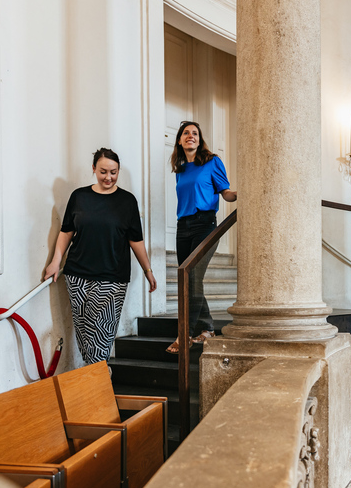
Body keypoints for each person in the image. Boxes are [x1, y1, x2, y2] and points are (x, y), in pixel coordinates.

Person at [45, 148, 156, 364]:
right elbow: (67, 231)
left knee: (101, 337)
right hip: (77, 276)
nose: (109, 177)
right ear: (94, 169)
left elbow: (136, 240)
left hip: (112, 279)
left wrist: (148, 270)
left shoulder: (127, 201)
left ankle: (100, 384)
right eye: (104, 171)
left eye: (114, 172)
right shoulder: (79, 196)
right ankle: (97, 383)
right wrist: (55, 261)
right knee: (85, 336)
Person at [166, 121, 236, 354]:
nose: (190, 136)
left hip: (205, 225)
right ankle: (207, 328)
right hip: (183, 227)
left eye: (195, 133)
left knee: (193, 276)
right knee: (188, 279)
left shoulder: (212, 162)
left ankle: (184, 334)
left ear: (200, 139)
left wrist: (238, 193)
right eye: (186, 133)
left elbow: (225, 192)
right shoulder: (181, 169)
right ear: (179, 140)